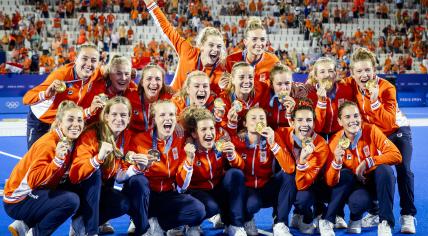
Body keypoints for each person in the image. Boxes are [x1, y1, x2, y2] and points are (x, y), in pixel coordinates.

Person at [347, 47, 416, 234]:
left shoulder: (387, 87)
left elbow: (388, 121)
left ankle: (407, 215)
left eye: (368, 70)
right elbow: (330, 85)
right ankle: (375, 211)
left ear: (374, 70)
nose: (364, 74)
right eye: (359, 71)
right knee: (373, 170)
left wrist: (375, 101)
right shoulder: (351, 85)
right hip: (374, 134)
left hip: (396, 130)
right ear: (352, 73)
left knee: (403, 169)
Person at [69, 96, 151, 236]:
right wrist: (98, 159)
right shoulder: (91, 134)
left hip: (102, 190)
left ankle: (82, 223)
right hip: (80, 190)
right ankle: (91, 231)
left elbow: (120, 176)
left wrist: (138, 168)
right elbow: (75, 174)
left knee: (122, 203)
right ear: (106, 116)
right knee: (95, 174)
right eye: (114, 114)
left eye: (123, 115)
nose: (119, 119)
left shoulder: (127, 137)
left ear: (129, 117)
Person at [320, 101, 402, 236]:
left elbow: (396, 155)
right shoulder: (335, 142)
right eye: (347, 117)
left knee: (385, 170)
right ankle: (355, 217)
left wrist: (368, 162)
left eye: (356, 116)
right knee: (354, 196)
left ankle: (385, 222)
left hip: (374, 182)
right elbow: (330, 181)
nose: (353, 121)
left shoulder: (371, 130)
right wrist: (337, 162)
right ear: (340, 121)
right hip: (355, 188)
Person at [4, 101, 84, 236]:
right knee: (70, 200)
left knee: (77, 185)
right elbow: (33, 180)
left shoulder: (68, 140)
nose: (76, 124)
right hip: (18, 200)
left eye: (80, 120)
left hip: (36, 192)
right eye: (70, 119)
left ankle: (23, 225)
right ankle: (36, 233)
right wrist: (57, 161)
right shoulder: (48, 143)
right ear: (59, 123)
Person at [128, 100, 206, 236]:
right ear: (154, 119)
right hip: (147, 196)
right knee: (137, 182)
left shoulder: (180, 140)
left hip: (168, 194)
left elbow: (183, 185)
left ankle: (159, 224)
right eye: (162, 115)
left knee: (198, 210)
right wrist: (138, 167)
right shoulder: (139, 140)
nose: (167, 118)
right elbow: (125, 175)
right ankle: (142, 226)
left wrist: (189, 160)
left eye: (171, 115)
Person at [179, 107, 246, 236]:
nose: (209, 133)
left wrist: (232, 154)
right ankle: (192, 224)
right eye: (203, 129)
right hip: (196, 191)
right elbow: (181, 183)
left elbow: (240, 167)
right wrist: (189, 159)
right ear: (194, 134)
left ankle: (233, 225)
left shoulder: (219, 144)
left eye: (211, 128)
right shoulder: (187, 149)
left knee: (236, 175)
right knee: (211, 207)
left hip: (217, 187)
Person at [23, 43, 102, 149]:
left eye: (93, 60)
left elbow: (113, 72)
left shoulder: (96, 73)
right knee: (36, 158)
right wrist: (46, 94)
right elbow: (27, 98)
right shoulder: (61, 75)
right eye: (84, 59)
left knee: (63, 158)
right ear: (75, 59)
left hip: (64, 122)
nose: (89, 64)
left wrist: (131, 72)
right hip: (42, 121)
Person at [231, 107, 295, 236]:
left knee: (288, 176)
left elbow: (289, 168)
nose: (258, 121)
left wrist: (273, 143)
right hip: (248, 190)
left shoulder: (272, 137)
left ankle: (280, 223)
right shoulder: (237, 141)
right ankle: (246, 219)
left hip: (267, 186)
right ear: (245, 123)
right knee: (252, 204)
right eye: (253, 118)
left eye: (262, 118)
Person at [143, 0, 226, 94]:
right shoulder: (188, 51)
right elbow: (167, 29)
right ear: (201, 46)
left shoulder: (221, 72)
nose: (215, 49)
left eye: (219, 46)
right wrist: (151, 4)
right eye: (211, 45)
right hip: (173, 105)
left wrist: (221, 91)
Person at [274, 101, 330, 235]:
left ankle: (305, 216)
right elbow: (288, 168)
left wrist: (303, 161)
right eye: (300, 120)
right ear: (292, 122)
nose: (305, 124)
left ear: (314, 124)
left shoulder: (321, 145)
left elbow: (303, 184)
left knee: (303, 199)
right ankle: (280, 223)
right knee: (287, 176)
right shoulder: (281, 133)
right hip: (286, 182)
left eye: (309, 120)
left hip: (308, 184)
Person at [225, 17, 280, 87]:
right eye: (254, 39)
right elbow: (225, 90)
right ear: (245, 42)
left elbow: (281, 87)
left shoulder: (273, 61)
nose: (259, 43)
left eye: (262, 39)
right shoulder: (231, 60)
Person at [220, 62, 269, 132]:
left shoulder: (261, 88)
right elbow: (225, 133)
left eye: (250, 77)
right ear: (233, 80)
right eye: (241, 77)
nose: (246, 81)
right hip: (235, 136)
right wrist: (232, 124)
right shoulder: (223, 100)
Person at [135, 63, 174, 132]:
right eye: (149, 78)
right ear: (142, 82)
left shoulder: (170, 99)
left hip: (155, 140)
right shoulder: (131, 96)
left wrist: (175, 121)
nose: (153, 83)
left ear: (162, 83)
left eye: (158, 79)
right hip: (133, 140)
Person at [266, 63, 296, 129]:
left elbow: (300, 132)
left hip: (289, 138)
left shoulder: (298, 100)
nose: (284, 88)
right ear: (271, 85)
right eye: (279, 84)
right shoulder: (264, 98)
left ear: (292, 83)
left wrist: (290, 113)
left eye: (287, 83)